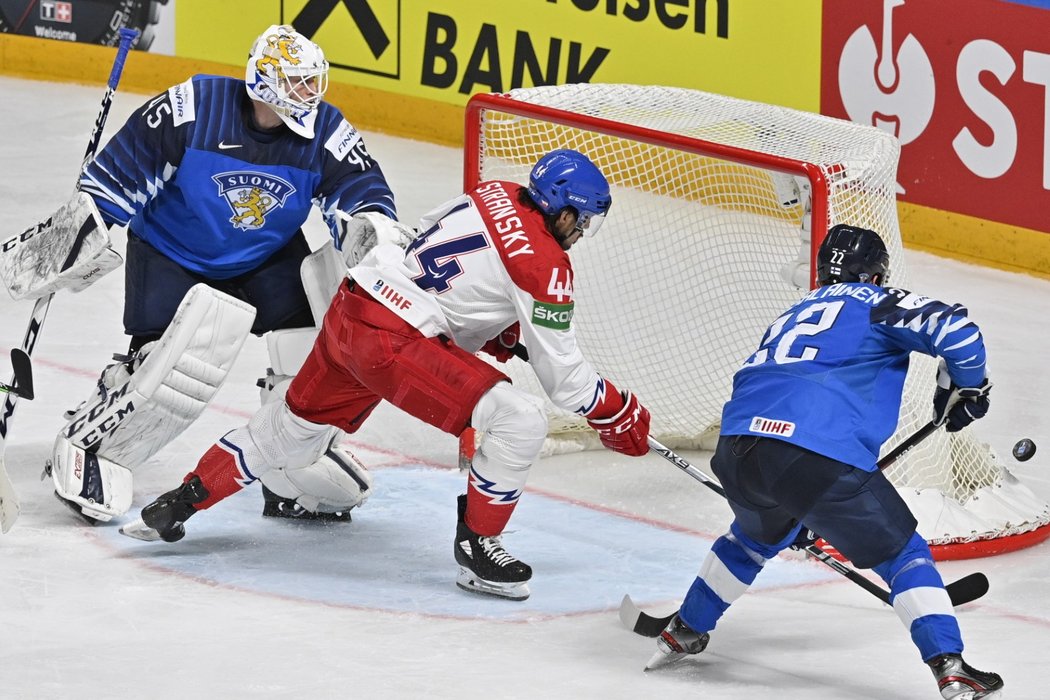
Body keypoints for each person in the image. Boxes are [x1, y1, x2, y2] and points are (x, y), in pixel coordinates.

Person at [120, 148, 653, 602]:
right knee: (521, 419)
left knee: (289, 429)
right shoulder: (547, 265)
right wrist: (617, 412)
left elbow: (432, 254)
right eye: (582, 220)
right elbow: (568, 382)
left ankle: (179, 501)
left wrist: (500, 332)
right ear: (562, 211)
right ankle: (477, 550)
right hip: (393, 340)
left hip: (353, 309)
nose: (582, 232)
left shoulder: (495, 192)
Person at [46, 24, 401, 525]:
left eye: (312, 81)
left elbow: (363, 186)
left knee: (310, 353)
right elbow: (122, 168)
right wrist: (88, 221)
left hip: (268, 255)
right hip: (173, 250)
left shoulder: (325, 127)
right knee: (165, 366)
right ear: (265, 82)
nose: (310, 93)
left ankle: (285, 467)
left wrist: (369, 228)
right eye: (297, 83)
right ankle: (97, 441)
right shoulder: (196, 104)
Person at [646, 224, 1002, 700]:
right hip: (813, 453)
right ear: (876, 276)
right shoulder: (874, 300)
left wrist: (802, 505)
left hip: (736, 449)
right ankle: (952, 669)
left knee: (750, 539)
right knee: (903, 553)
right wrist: (968, 386)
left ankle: (684, 628)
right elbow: (957, 329)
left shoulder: (794, 311)